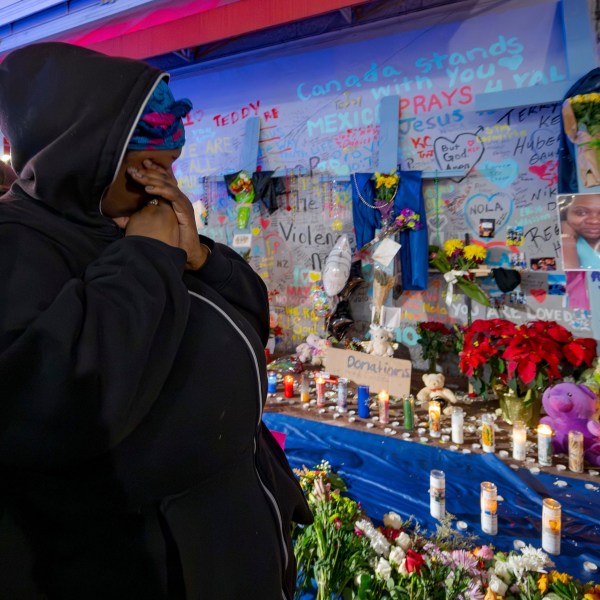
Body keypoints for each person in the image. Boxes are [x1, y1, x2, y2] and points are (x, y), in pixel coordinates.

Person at [0, 42, 311, 599]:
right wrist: (144, 258)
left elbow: (249, 320)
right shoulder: (20, 246)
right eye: (145, 165)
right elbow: (52, 406)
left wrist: (203, 260)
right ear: (84, 154)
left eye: (167, 166)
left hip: (229, 546)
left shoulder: (129, 220)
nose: (160, 183)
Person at [559, 193, 600, 270]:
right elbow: (566, 278)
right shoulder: (549, 242)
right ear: (566, 213)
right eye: (581, 213)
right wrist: (566, 240)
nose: (594, 221)